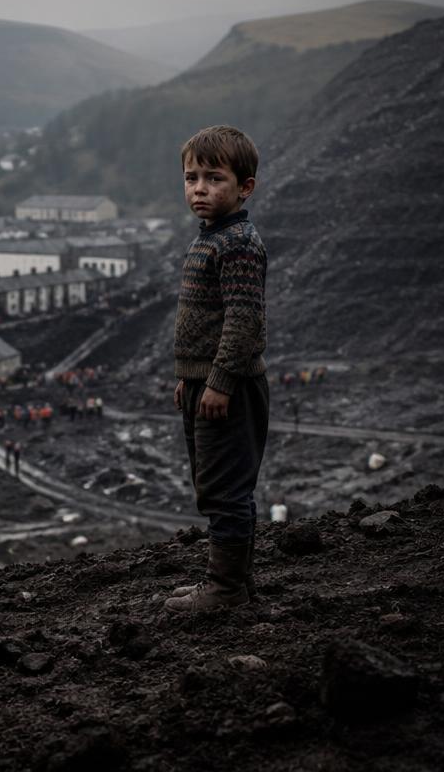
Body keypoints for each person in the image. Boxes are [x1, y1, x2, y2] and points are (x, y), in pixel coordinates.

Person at [165, 125, 269, 615]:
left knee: (226, 489)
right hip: (204, 384)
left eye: (214, 178)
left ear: (245, 187)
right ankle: (236, 584)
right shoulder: (212, 238)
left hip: (228, 388)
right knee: (214, 486)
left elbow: (244, 320)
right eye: (192, 178)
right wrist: (188, 376)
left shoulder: (238, 244)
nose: (200, 189)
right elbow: (204, 322)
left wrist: (220, 381)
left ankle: (225, 590)